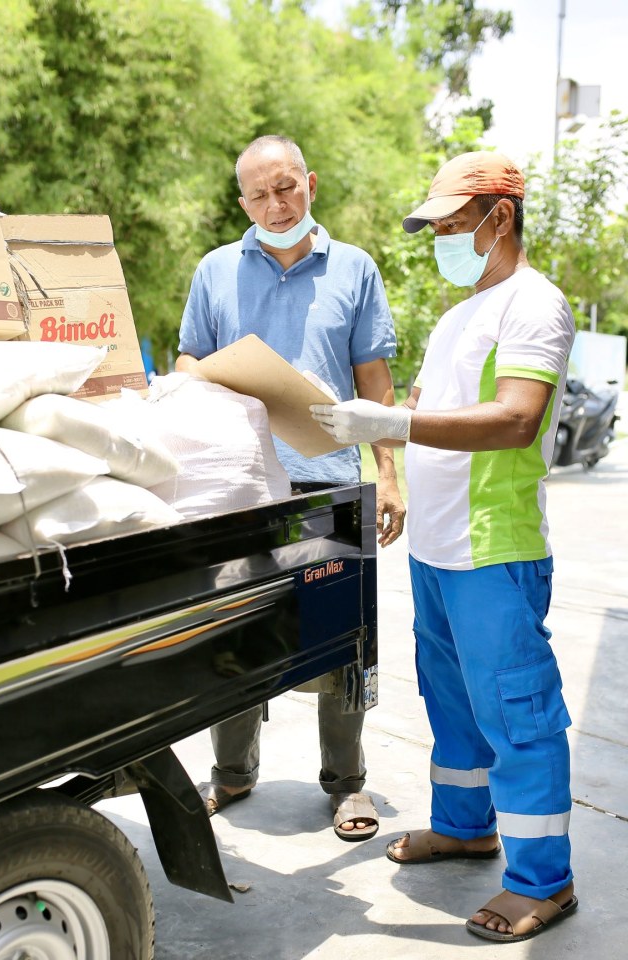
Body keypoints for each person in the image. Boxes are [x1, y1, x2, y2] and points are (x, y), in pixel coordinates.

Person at [311, 151, 577, 938]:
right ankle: (466, 826)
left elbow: (516, 418)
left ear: (501, 216)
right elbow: (426, 407)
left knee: (517, 710)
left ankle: (544, 881)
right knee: (453, 700)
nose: (444, 239)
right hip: (436, 547)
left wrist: (391, 422)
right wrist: (383, 449)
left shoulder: (535, 305)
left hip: (495, 547)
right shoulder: (460, 314)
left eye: (455, 225)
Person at [176, 135, 405, 841]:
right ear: (240, 200)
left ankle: (346, 784)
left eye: (287, 188)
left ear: (310, 183)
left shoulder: (355, 269)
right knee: (232, 634)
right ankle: (232, 775)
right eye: (259, 194)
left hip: (329, 483)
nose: (276, 206)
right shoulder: (215, 270)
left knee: (343, 639)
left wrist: (387, 474)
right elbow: (190, 356)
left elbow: (374, 381)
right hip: (240, 487)